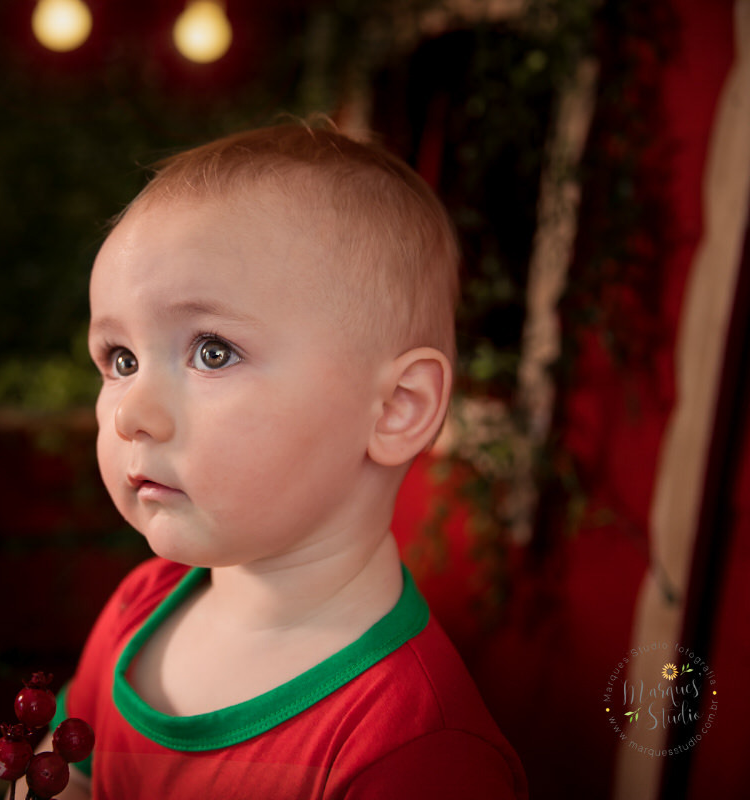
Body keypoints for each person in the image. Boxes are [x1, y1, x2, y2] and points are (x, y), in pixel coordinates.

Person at [28, 121, 528, 798]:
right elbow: (67, 771)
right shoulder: (135, 613)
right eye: (121, 360)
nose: (130, 413)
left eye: (213, 351)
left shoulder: (414, 750)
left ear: (396, 409)